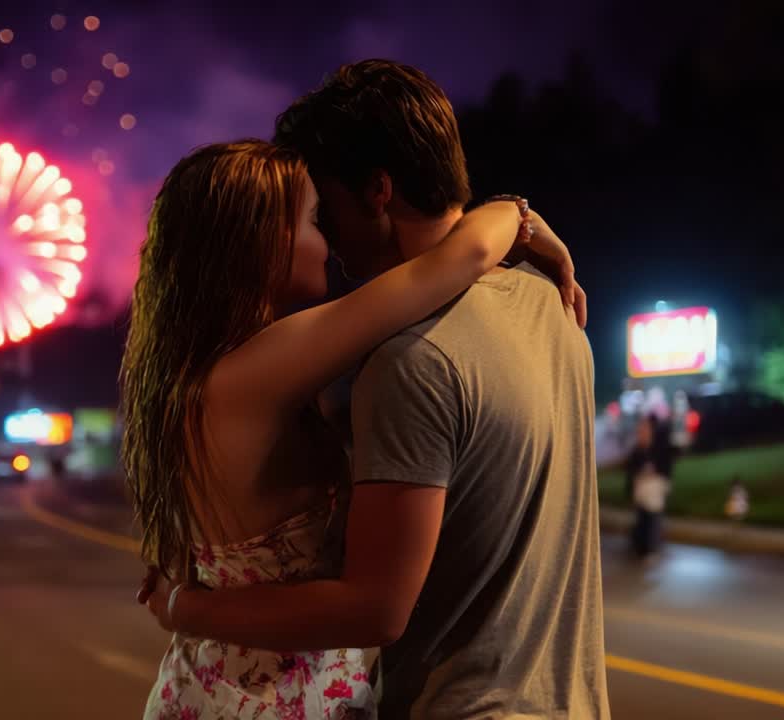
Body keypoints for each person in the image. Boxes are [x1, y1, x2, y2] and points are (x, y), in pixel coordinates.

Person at [140, 60, 608, 719]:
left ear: (379, 191)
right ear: (258, 245)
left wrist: (184, 606)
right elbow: (462, 256)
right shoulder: (551, 307)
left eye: (323, 213)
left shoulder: (403, 361)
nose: (328, 240)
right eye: (314, 221)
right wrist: (516, 212)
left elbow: (456, 261)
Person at [625, 415, 674, 557]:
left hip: (654, 492)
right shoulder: (637, 451)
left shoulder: (659, 449)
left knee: (653, 519)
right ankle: (640, 546)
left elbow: (665, 469)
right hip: (641, 491)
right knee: (642, 519)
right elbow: (631, 471)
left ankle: (650, 546)